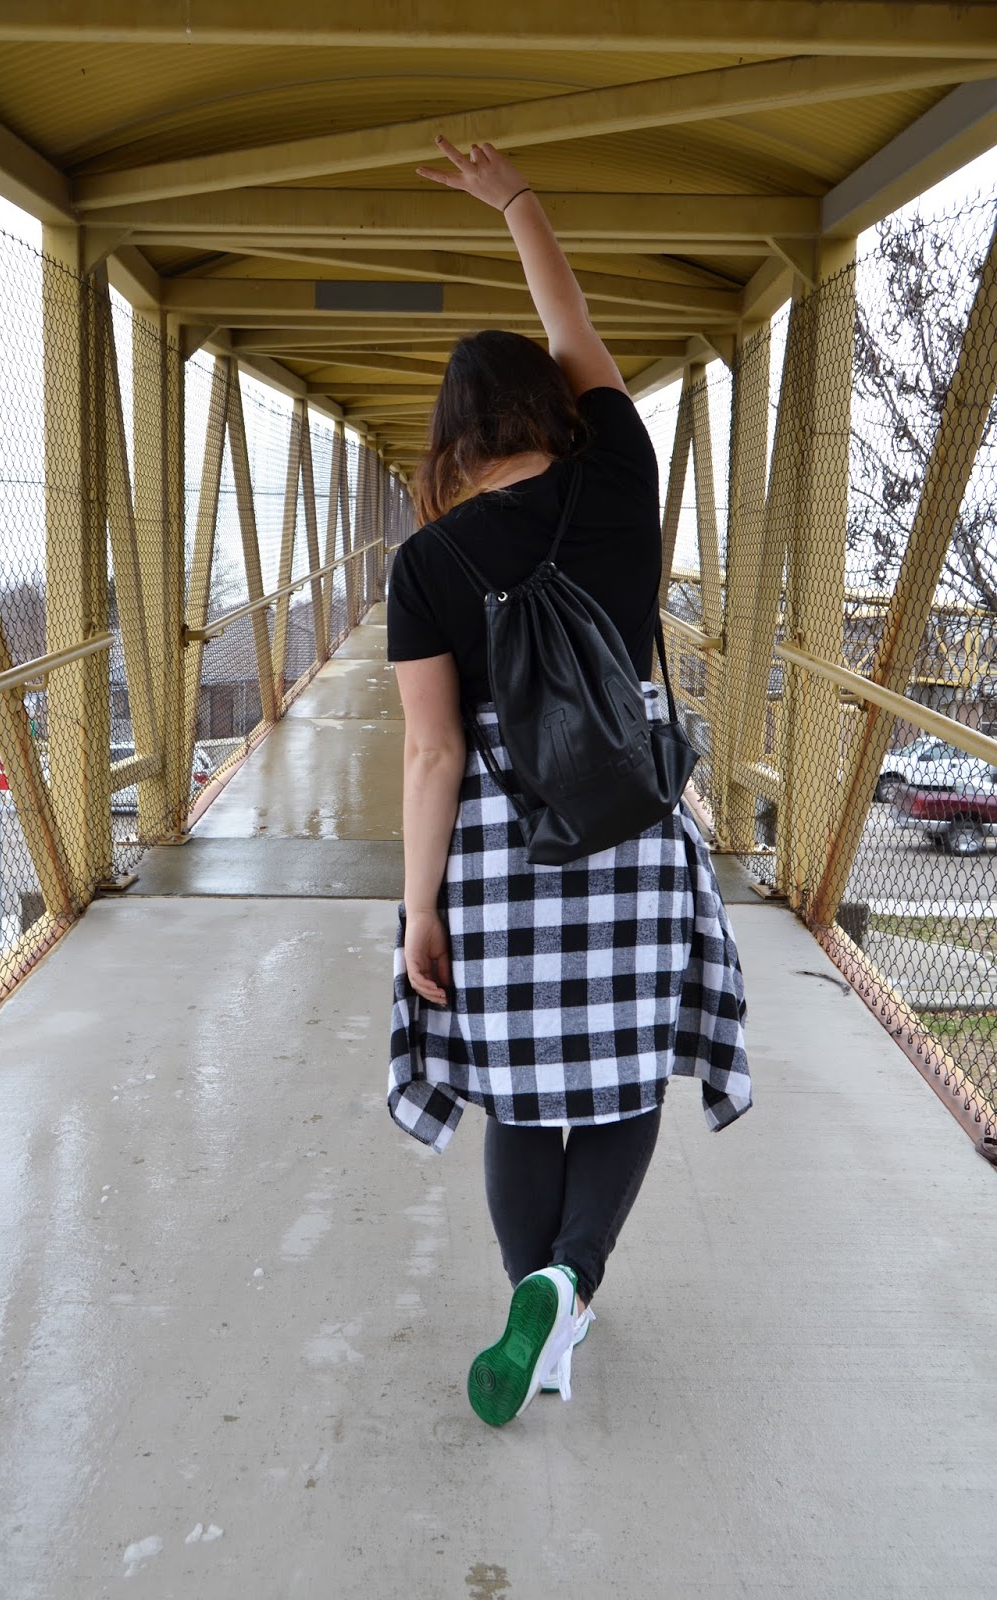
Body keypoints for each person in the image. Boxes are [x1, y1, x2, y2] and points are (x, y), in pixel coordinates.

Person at [386, 137, 751, 1429]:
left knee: (521, 1090)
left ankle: (528, 1300)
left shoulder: (426, 564)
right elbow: (574, 328)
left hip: (501, 849)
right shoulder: (619, 479)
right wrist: (517, 202)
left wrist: (419, 909)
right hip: (631, 830)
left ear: (451, 442)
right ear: (555, 409)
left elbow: (431, 751)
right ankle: (571, 1281)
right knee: (621, 1073)